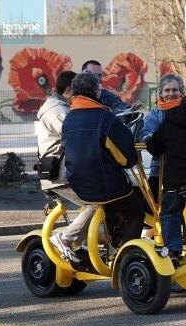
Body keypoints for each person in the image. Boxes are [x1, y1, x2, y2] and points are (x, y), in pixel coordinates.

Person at [62, 72, 144, 248]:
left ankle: (106, 246)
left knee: (112, 205)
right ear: (96, 92)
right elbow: (126, 160)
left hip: (77, 183)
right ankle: (126, 256)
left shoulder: (68, 119)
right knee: (136, 211)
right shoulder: (105, 118)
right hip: (105, 186)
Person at [36, 70, 96, 263]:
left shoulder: (62, 106)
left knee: (103, 202)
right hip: (59, 173)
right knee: (97, 203)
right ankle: (66, 239)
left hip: (65, 171)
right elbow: (75, 135)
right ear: (70, 89)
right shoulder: (57, 110)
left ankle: (89, 247)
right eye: (78, 90)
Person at [146, 95, 186, 265]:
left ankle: (173, 252)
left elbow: (154, 146)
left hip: (174, 180)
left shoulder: (169, 123)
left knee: (169, 213)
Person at [139, 73, 185, 200]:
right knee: (149, 202)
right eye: (167, 90)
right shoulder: (155, 113)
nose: (171, 93)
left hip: (185, 165)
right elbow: (146, 133)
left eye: (175, 90)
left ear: (181, 92)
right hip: (160, 166)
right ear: (161, 93)